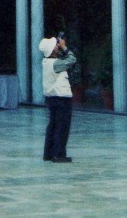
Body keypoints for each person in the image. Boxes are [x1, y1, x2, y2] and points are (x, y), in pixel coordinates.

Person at [39, 35, 77, 163]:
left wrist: (58, 48)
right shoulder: (56, 63)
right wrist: (64, 47)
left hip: (51, 98)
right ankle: (59, 154)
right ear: (53, 51)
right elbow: (72, 59)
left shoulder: (46, 62)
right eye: (55, 45)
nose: (58, 45)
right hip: (61, 98)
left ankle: (48, 153)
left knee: (53, 125)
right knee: (62, 126)